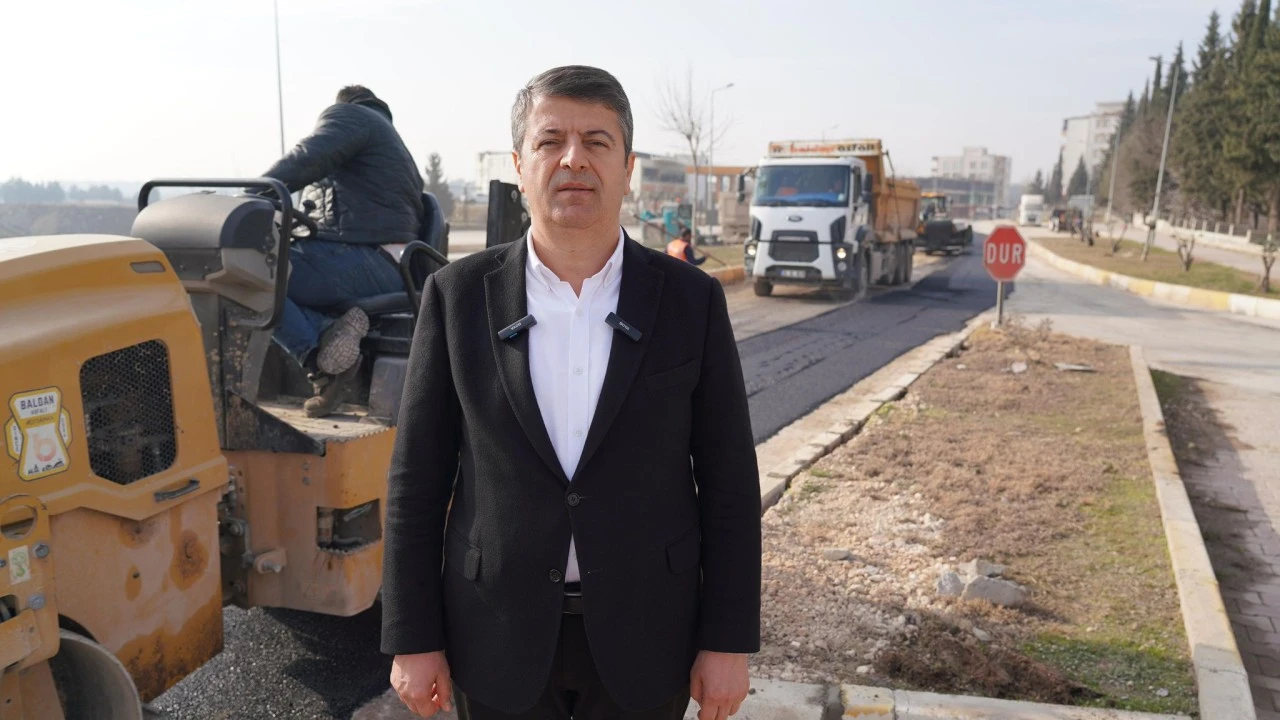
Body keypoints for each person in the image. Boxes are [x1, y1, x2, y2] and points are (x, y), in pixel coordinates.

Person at [380, 65, 761, 720]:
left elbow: (729, 483)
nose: (574, 159)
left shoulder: (690, 301)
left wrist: (727, 641)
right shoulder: (457, 297)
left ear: (628, 167)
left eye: (597, 141)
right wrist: (412, 638)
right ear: (519, 166)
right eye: (550, 140)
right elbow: (417, 482)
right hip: (494, 639)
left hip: (649, 642)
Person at [260, 85, 424, 418]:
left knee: (253, 273)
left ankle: (322, 357)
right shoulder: (392, 152)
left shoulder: (354, 117)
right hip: (390, 268)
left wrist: (251, 195)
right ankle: (332, 336)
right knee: (272, 271)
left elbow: (306, 158)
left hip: (362, 260)